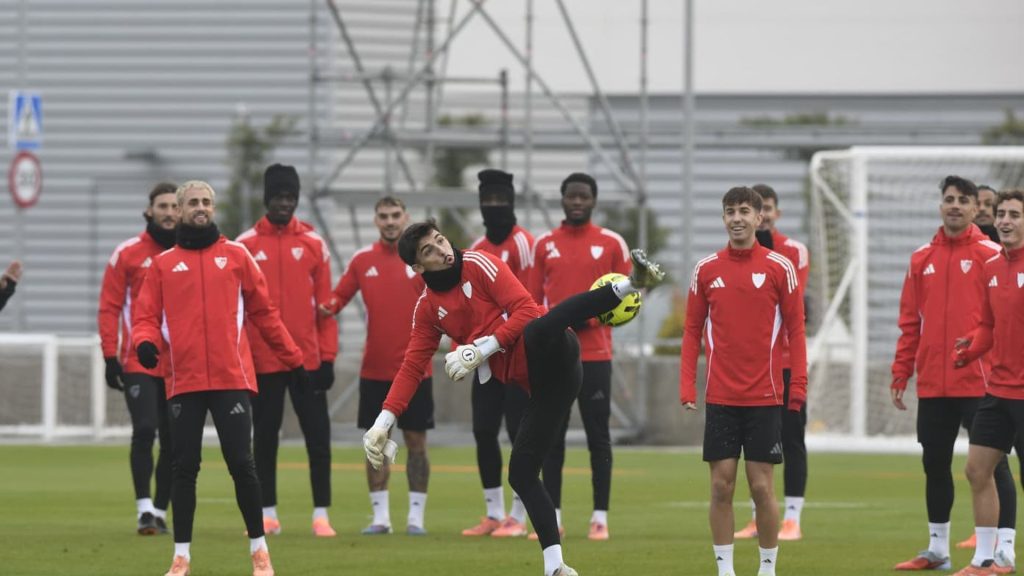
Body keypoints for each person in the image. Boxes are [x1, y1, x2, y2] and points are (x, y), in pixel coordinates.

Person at [361, 219, 663, 576]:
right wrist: (383, 422)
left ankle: (631, 282)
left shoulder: (479, 263)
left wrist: (482, 348)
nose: (442, 250)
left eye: (441, 240)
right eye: (429, 250)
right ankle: (556, 567)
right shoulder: (427, 309)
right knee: (520, 473)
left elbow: (525, 309)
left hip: (557, 355)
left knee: (538, 325)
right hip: (540, 388)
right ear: (417, 267)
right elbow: (412, 366)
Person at [133, 180, 308, 576]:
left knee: (242, 464)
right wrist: (144, 342)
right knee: (184, 467)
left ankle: (259, 552)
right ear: (178, 210)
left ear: (214, 208)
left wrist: (294, 360)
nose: (200, 207)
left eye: (206, 202)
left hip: (231, 377)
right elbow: (144, 317)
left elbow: (265, 313)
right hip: (184, 380)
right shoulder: (162, 265)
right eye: (192, 202)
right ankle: (181, 557)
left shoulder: (236, 255)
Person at [680, 186, 808, 576]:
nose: (737, 218)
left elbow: (796, 331)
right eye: (730, 211)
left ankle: (767, 568)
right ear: (723, 218)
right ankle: (725, 570)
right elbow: (690, 330)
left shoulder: (778, 267)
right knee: (721, 486)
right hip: (721, 396)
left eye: (744, 211)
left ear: (759, 218)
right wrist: (687, 385)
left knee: (761, 488)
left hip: (765, 396)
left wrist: (797, 386)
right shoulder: (706, 269)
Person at [890, 176, 1016, 572]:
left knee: (993, 467)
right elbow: (910, 322)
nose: (956, 206)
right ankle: (938, 549)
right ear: (940, 205)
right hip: (933, 381)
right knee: (935, 463)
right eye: (949, 200)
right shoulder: (920, 258)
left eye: (964, 200)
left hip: (983, 382)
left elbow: (1000, 322)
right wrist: (901, 371)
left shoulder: (992, 254)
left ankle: (1001, 550)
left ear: (976, 208)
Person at [318, 196, 434, 536]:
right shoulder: (362, 260)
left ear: (406, 217)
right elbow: (335, 300)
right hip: (375, 371)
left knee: (416, 443)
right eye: (383, 216)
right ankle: (380, 518)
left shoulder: (421, 260)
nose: (389, 221)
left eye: (395, 215)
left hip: (416, 371)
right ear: (375, 221)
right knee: (376, 444)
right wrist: (317, 307)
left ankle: (416, 518)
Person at [527, 172, 631, 541]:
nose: (577, 202)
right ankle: (552, 515)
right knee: (551, 438)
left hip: (596, 356)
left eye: (583, 196)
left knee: (597, 437)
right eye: (571, 196)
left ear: (593, 200)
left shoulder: (612, 243)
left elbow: (628, 300)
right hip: (554, 357)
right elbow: (532, 302)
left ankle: (599, 516)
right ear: (562, 199)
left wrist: (592, 316)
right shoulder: (544, 244)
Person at [236, 164, 338, 538]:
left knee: (318, 438)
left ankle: (321, 514)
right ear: (267, 199)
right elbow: (237, 310)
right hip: (263, 361)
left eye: (290, 197)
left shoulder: (314, 244)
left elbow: (326, 308)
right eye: (278, 196)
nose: (284, 203)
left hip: (307, 361)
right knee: (264, 438)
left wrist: (327, 357)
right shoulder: (244, 245)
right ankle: (268, 513)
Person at [97, 182, 179, 535]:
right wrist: (109, 355)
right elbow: (109, 306)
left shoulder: (192, 253)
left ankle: (161, 511)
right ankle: (144, 510)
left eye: (175, 207)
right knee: (145, 429)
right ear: (150, 211)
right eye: (163, 206)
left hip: (178, 364)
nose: (170, 213)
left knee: (174, 441)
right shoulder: (127, 253)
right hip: (137, 361)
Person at [951, 189, 1024, 576]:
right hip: (998, 390)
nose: (1006, 220)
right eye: (1002, 214)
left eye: (1014, 214)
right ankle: (985, 560)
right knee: (977, 470)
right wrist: (970, 349)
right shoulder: (993, 266)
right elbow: (989, 326)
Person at [734, 183, 811, 542]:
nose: (759, 214)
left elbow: (792, 311)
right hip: (751, 367)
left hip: (783, 361)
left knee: (792, 439)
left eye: (765, 207)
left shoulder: (793, 253)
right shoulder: (733, 256)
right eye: (754, 207)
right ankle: (756, 516)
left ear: (772, 214)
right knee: (756, 446)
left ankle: (793, 517)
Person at [461, 169, 532, 538]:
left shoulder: (524, 245)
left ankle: (519, 515)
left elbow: (529, 304)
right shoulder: (476, 250)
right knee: (483, 430)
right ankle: (493, 511)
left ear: (512, 202)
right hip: (485, 358)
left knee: (519, 433)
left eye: (500, 200)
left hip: (519, 357)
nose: (494, 207)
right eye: (487, 201)